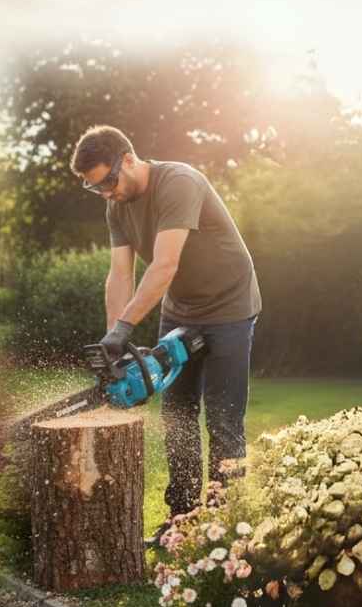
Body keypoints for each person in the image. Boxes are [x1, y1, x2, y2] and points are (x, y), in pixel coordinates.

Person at [71, 124, 262, 545]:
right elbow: (120, 274)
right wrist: (112, 341)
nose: (105, 193)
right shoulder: (116, 205)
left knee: (225, 418)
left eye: (107, 182)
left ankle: (227, 528)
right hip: (181, 310)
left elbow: (163, 265)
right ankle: (182, 520)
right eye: (94, 188)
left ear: (128, 159)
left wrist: (126, 327)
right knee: (178, 416)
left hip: (230, 307)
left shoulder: (179, 182)